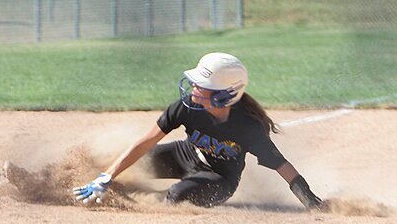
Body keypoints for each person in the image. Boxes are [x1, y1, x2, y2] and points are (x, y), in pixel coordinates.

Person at [72, 52, 324, 210]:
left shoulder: (248, 127)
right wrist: (106, 176)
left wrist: (310, 200)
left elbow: (282, 166)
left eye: (201, 86)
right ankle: (97, 185)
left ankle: (139, 200)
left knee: (177, 196)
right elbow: (145, 143)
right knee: (129, 165)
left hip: (219, 178)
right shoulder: (187, 108)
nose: (193, 89)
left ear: (223, 96)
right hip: (185, 155)